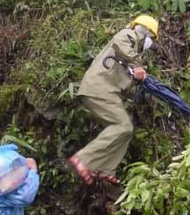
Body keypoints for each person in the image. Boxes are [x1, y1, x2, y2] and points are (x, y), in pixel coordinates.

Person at [68, 15, 159, 186]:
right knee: (123, 126)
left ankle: (104, 169)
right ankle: (83, 159)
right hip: (99, 88)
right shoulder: (130, 35)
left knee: (125, 131)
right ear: (146, 33)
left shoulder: (131, 53)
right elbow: (120, 40)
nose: (150, 45)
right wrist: (137, 64)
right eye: (152, 39)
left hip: (103, 91)